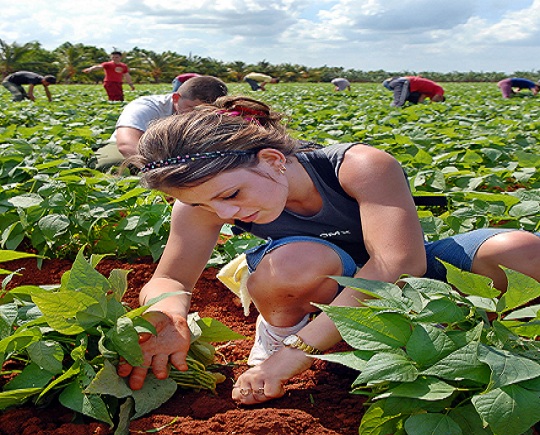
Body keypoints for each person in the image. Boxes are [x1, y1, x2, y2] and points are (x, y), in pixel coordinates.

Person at [120, 95, 540, 406]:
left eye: (231, 194)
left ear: (272, 160)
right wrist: (168, 314)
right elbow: (171, 277)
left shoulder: (359, 165)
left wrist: (297, 356)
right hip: (319, 287)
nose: (223, 213)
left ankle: (470, 342)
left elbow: (397, 263)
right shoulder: (205, 198)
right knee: (292, 263)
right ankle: (282, 333)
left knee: (521, 250)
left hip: (399, 273)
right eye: (203, 205)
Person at [93, 76, 228, 170]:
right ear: (176, 98)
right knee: (112, 163)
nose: (198, 115)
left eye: (207, 110)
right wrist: (158, 172)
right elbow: (126, 144)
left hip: (176, 152)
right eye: (192, 108)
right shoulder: (147, 106)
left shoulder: (220, 113)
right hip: (138, 147)